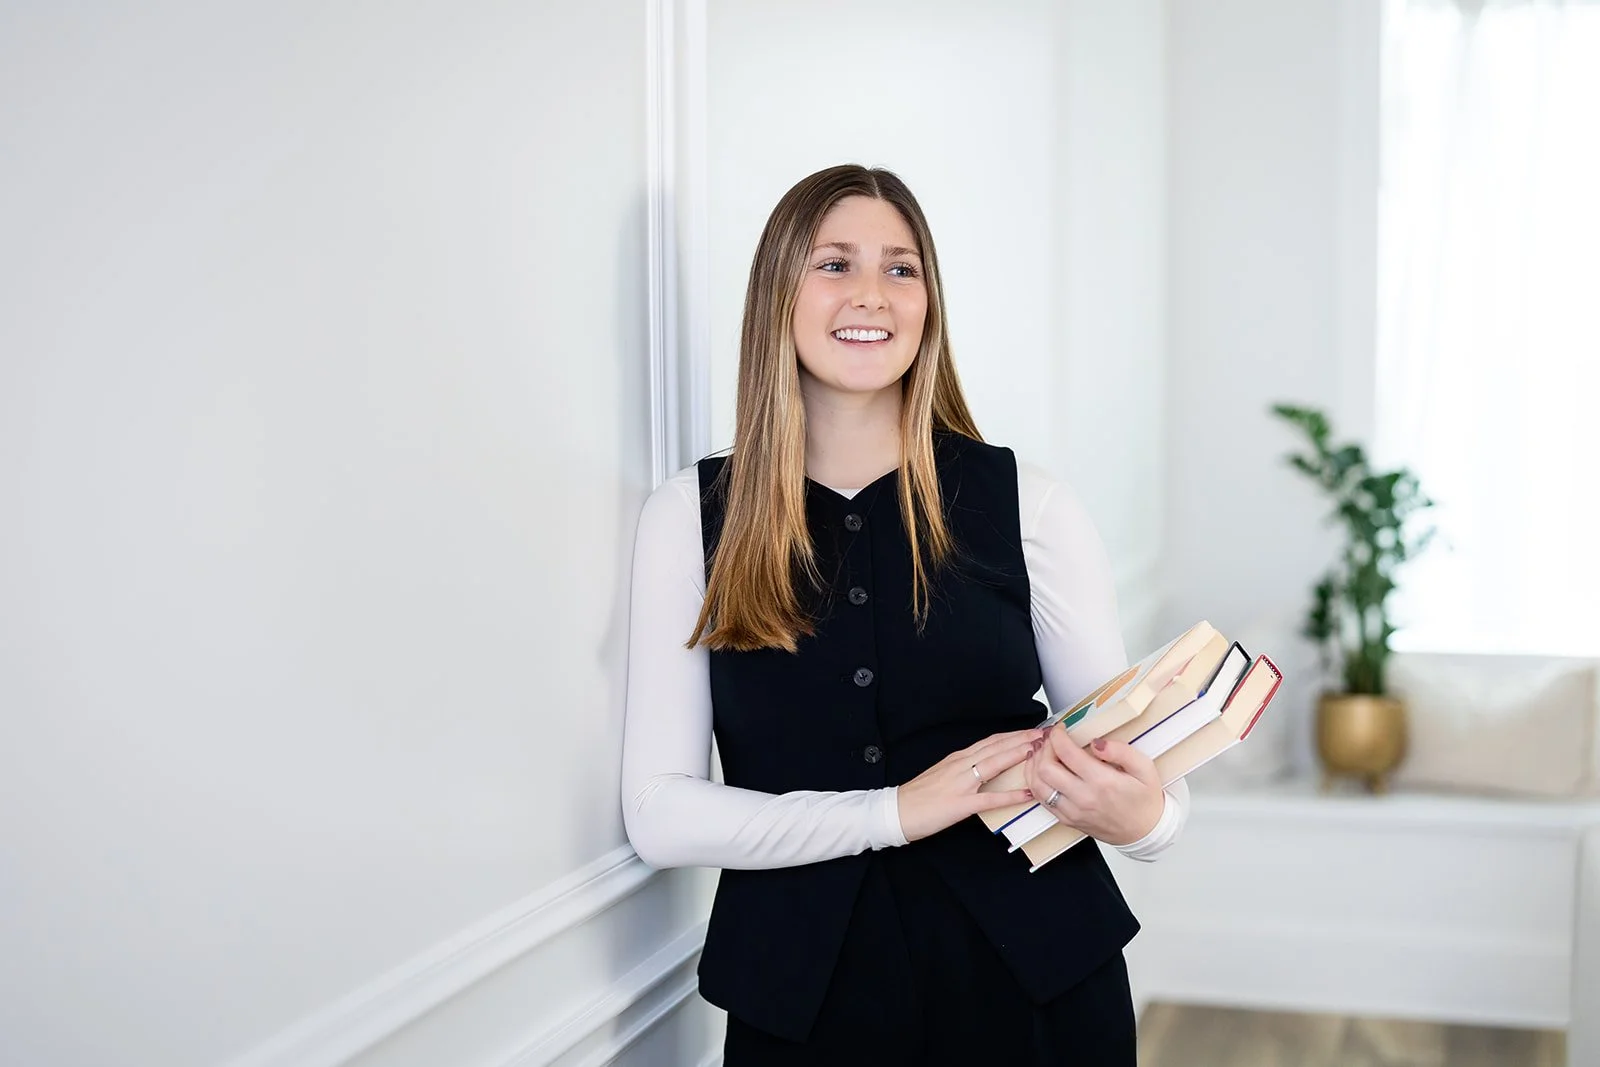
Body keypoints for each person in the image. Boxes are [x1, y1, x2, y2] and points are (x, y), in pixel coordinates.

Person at [620, 164, 1190, 1066]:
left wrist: (1146, 817)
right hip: (802, 1003)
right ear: (780, 291)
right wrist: (894, 811)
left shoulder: (1030, 506)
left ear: (930, 301)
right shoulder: (688, 519)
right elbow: (658, 813)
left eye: (902, 268)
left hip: (1036, 989)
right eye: (834, 263)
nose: (871, 295)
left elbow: (1147, 781)